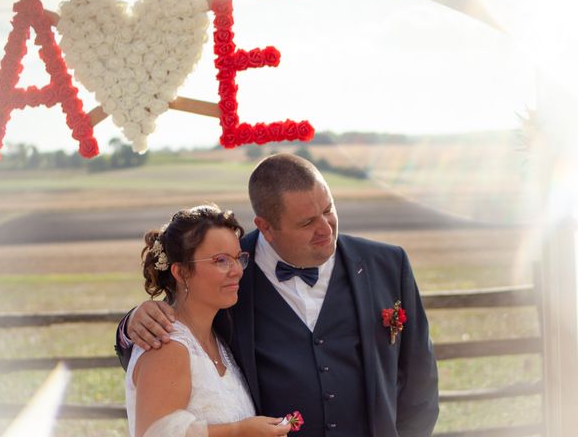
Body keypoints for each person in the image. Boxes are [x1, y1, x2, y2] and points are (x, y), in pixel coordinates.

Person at [117, 153, 439, 436]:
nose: (326, 229)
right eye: (307, 222)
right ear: (266, 227)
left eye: (328, 210)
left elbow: (420, 382)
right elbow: (172, 337)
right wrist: (131, 324)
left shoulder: (387, 265)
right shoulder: (228, 268)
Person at [126, 204, 291, 437]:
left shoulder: (218, 341)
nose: (237, 271)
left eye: (237, 258)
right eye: (221, 260)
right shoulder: (167, 346)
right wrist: (240, 431)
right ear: (181, 272)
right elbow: (156, 433)